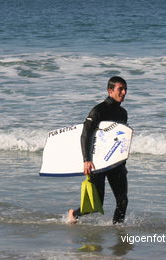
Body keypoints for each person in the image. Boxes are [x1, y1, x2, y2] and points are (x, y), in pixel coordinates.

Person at [67, 76, 129, 224]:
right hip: (97, 163)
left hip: (115, 162)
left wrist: (123, 163)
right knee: (96, 204)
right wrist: (86, 160)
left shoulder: (123, 113)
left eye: (125, 89)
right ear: (110, 91)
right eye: (120, 89)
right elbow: (85, 135)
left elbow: (119, 138)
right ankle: (74, 213)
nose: (124, 92)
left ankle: (118, 229)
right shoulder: (98, 111)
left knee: (123, 201)